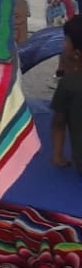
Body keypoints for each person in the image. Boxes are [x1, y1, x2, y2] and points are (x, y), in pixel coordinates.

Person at [52, 18, 82, 171]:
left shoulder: (68, 85)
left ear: (77, 54)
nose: (63, 45)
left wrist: (58, 157)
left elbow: (58, 124)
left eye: (66, 41)